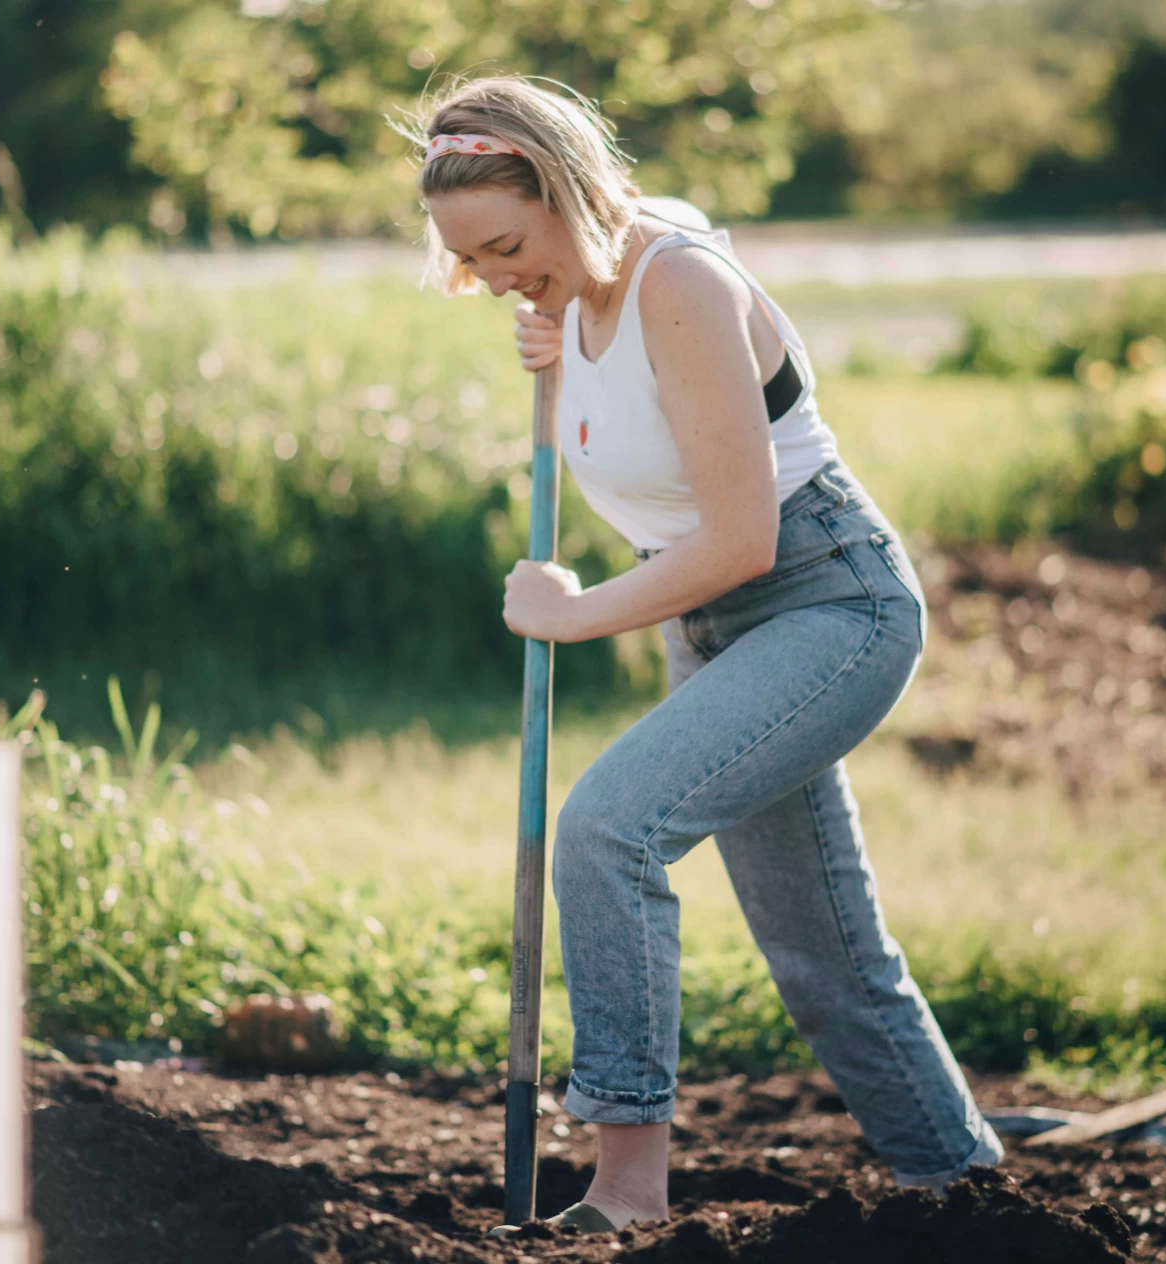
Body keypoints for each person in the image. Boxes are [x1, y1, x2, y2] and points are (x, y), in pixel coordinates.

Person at [399, 75, 1004, 1237]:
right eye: (469, 261)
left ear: (569, 189)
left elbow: (740, 539)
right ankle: (967, 1193)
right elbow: (627, 330)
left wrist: (574, 613)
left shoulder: (679, 281)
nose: (492, 279)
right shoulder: (583, 287)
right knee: (822, 949)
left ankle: (626, 1187)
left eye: (506, 247)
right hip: (715, 628)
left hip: (827, 603)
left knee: (607, 831)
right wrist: (552, 320)